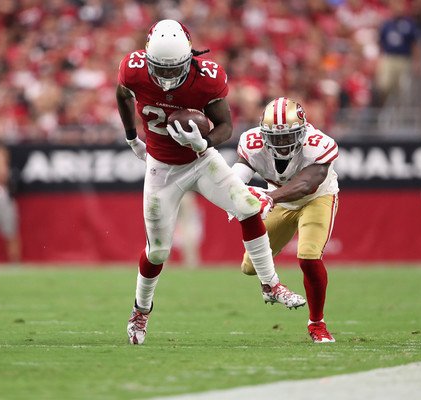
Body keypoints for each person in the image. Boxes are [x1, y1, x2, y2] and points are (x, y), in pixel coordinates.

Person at [116, 19, 306, 345]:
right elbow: (122, 95)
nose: (165, 77)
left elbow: (225, 127)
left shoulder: (207, 78)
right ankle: (141, 310)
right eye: (159, 69)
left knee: (248, 208)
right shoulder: (133, 69)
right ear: (148, 58)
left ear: (189, 57)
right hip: (162, 167)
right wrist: (132, 137)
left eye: (172, 68)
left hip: (201, 161)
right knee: (158, 251)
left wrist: (202, 144)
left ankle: (270, 284)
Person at [231, 97, 340, 343]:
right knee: (249, 267)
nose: (281, 143)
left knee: (309, 256)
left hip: (316, 199)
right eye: (275, 137)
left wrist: (269, 197)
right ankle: (270, 285)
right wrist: (232, 194)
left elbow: (306, 183)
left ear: (303, 131)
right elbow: (239, 174)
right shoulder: (252, 142)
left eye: (288, 136)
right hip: (280, 202)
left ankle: (317, 324)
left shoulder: (319, 144)